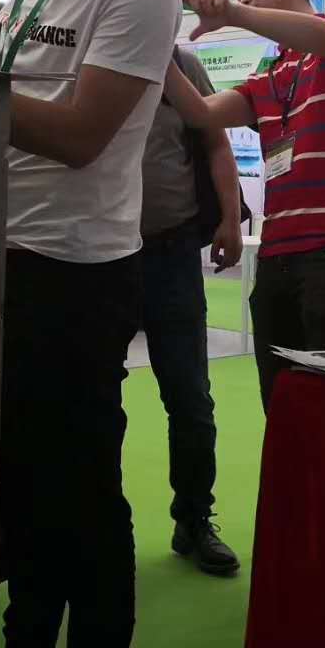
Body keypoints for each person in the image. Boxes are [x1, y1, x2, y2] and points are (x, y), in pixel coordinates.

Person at [0, 0, 180, 647]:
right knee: (22, 477)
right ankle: (28, 629)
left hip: (79, 271)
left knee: (82, 482)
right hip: (5, 251)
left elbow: (80, 136)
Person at [162, 0, 325, 410]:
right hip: (278, 256)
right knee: (282, 408)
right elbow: (201, 112)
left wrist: (233, 13)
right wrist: (153, 50)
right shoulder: (269, 76)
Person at [138, 47, 243, 577]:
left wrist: (230, 217)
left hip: (171, 251)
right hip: (95, 252)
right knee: (90, 398)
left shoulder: (179, 63)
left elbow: (215, 141)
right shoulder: (81, 48)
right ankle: (90, 525)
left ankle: (195, 518)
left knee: (190, 397)